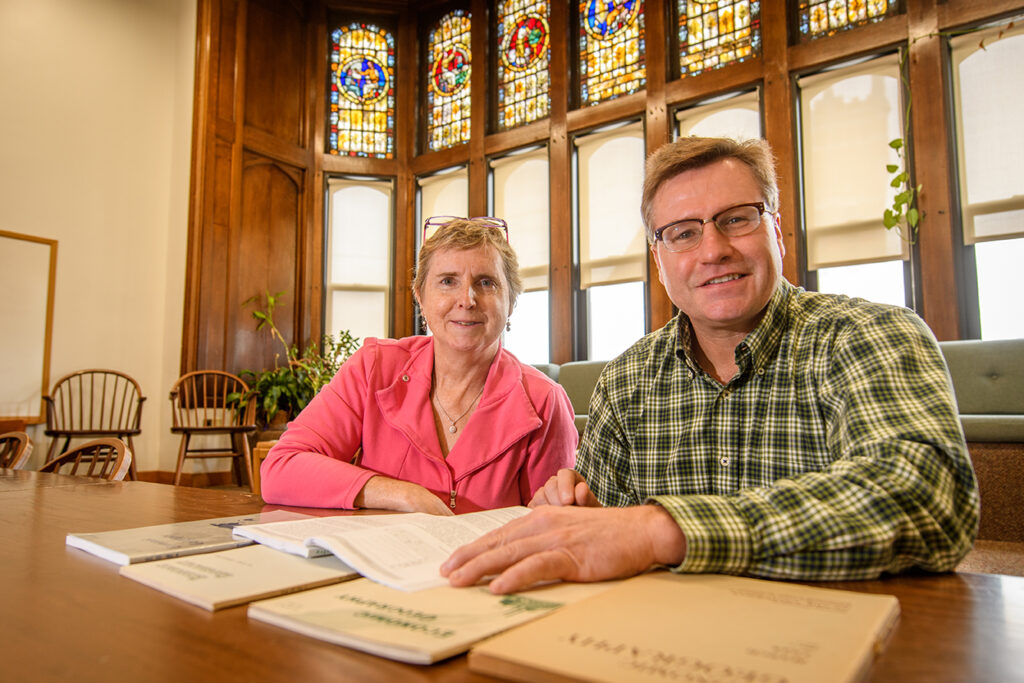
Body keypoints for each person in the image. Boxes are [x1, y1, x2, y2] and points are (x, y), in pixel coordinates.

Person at [442, 137, 979, 593]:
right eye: (683, 232)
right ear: (659, 259)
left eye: (736, 220)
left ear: (777, 232)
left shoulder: (870, 335)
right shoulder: (628, 380)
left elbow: (926, 500)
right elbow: (600, 538)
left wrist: (662, 530)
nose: (713, 249)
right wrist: (574, 509)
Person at [260, 217, 577, 515]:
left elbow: (551, 525)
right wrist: (403, 495)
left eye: (486, 282)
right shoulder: (374, 367)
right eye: (448, 281)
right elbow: (281, 467)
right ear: (420, 297)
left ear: (511, 303)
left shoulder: (546, 402)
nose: (467, 299)